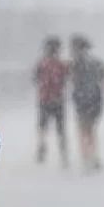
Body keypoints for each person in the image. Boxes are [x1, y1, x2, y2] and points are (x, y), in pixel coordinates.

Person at [69, 35, 104, 173]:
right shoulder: (97, 63)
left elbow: (72, 81)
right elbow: (103, 80)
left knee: (83, 130)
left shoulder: (75, 64)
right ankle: (94, 156)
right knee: (91, 130)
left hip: (81, 100)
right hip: (95, 100)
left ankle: (86, 157)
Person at [34, 36, 70, 167]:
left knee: (43, 126)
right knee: (60, 128)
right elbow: (66, 80)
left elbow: (35, 79)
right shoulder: (62, 65)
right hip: (58, 100)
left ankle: (42, 146)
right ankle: (63, 153)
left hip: (44, 99)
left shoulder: (41, 64)